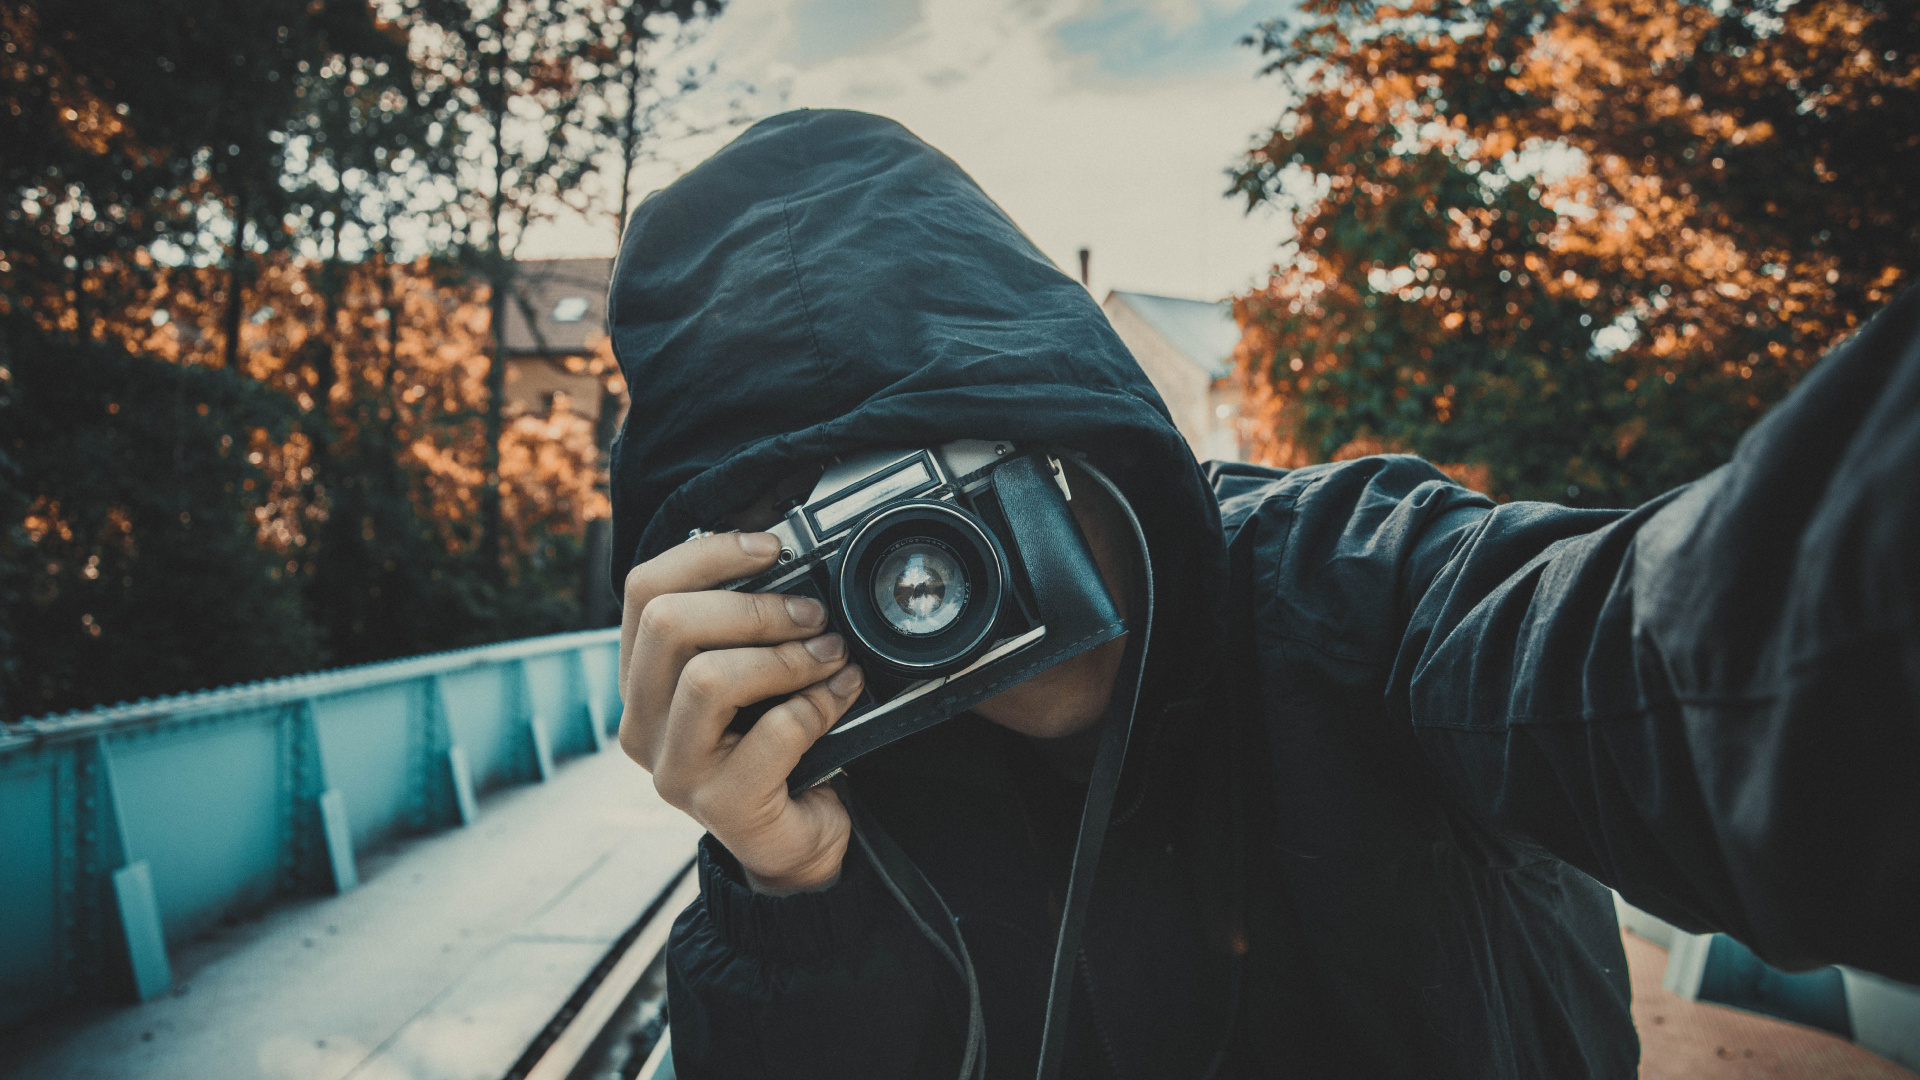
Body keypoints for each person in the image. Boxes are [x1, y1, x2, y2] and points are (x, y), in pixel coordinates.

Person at [605, 109, 1920, 1079]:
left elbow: (1677, 655)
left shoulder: (1361, 588)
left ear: (1045, 415)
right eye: (826, 543)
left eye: (922, 486)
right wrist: (786, 895)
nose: (911, 576)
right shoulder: (846, 784)